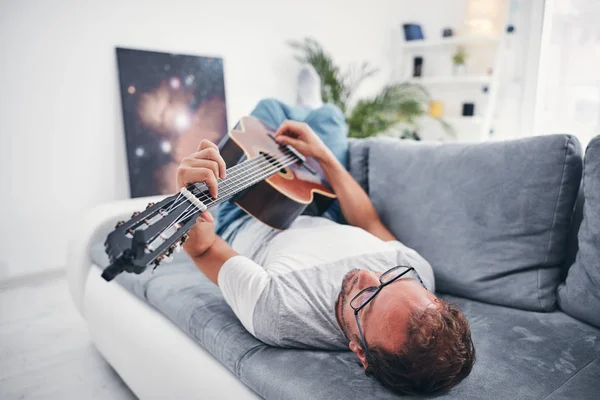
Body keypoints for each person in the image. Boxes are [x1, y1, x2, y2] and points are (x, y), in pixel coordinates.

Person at [175, 68, 475, 395]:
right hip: (325, 205)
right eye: (391, 276)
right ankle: (311, 106)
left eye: (367, 299)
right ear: (431, 297)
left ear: (360, 351)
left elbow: (205, 250)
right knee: (329, 117)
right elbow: (370, 223)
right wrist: (324, 157)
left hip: (253, 215)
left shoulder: (278, 311)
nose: (365, 275)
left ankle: (302, 109)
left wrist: (188, 198)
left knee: (268, 112)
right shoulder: (419, 274)